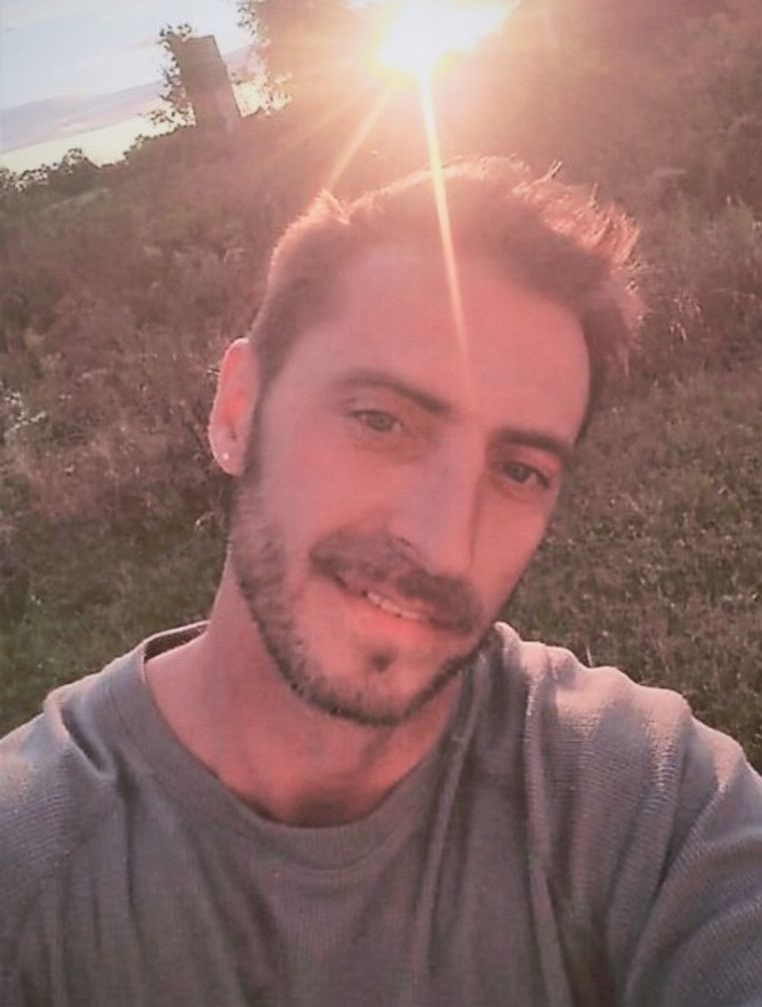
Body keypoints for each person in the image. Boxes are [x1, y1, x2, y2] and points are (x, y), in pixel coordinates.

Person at [1, 157, 760, 1007]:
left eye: (518, 470)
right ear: (238, 411)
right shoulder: (27, 866)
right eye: (380, 421)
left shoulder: (647, 801)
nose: (442, 544)